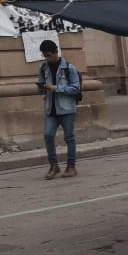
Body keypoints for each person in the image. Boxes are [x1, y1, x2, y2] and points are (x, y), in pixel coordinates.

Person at [36, 38, 81, 179]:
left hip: (67, 109)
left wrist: (57, 88)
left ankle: (71, 166)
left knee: (69, 138)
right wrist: (42, 87)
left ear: (56, 52)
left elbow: (76, 88)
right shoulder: (44, 68)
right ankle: (53, 165)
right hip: (51, 109)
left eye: (49, 55)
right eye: (45, 56)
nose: (47, 58)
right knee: (48, 135)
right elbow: (42, 87)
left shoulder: (69, 68)